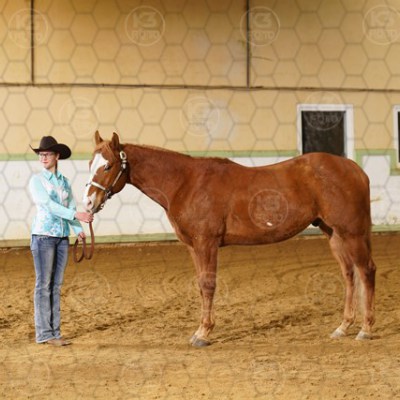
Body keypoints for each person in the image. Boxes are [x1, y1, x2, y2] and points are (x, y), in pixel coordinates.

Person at [29, 136, 93, 347]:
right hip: (44, 236)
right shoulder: (37, 181)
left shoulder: (64, 182)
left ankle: (55, 332)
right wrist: (76, 216)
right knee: (44, 285)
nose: (43, 158)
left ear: (57, 156)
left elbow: (71, 205)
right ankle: (44, 333)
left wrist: (78, 230)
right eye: (41, 155)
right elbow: (48, 205)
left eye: (47, 154)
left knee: (55, 286)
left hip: (61, 238)